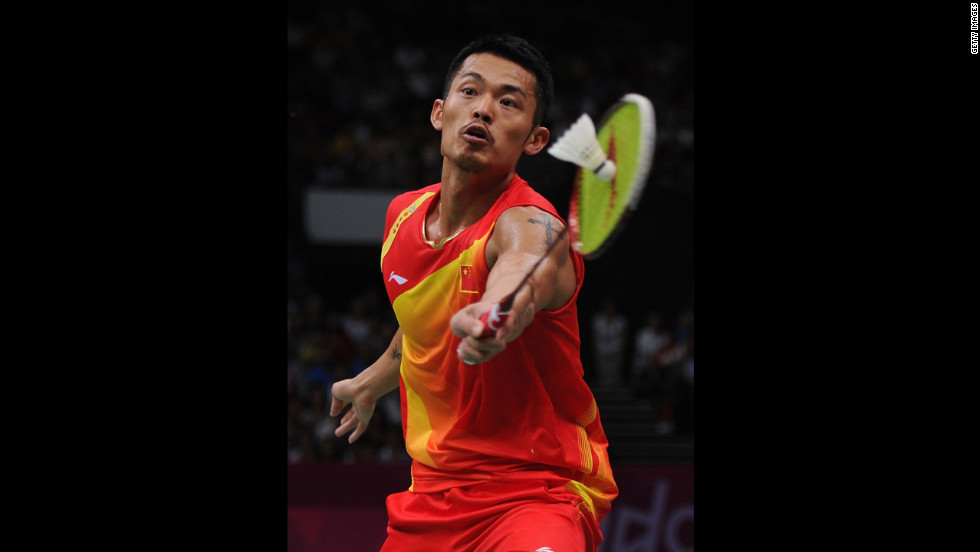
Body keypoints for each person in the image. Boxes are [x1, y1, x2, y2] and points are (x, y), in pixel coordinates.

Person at [329, 34, 618, 552]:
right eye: (470, 92)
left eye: (508, 102)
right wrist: (371, 382)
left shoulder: (535, 227)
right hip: (431, 496)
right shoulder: (404, 216)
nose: (484, 109)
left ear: (534, 139)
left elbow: (520, 274)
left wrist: (496, 312)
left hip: (535, 494)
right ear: (440, 112)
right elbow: (423, 323)